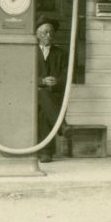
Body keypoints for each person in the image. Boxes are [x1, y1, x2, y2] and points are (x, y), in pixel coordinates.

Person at [33, 15, 68, 162]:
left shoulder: (61, 53)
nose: (49, 35)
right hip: (33, 94)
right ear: (37, 35)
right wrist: (41, 81)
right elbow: (23, 76)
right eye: (45, 32)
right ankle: (62, 126)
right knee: (41, 93)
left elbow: (67, 76)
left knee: (43, 111)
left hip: (55, 95)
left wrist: (56, 82)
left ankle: (45, 153)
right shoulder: (30, 52)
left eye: (51, 32)